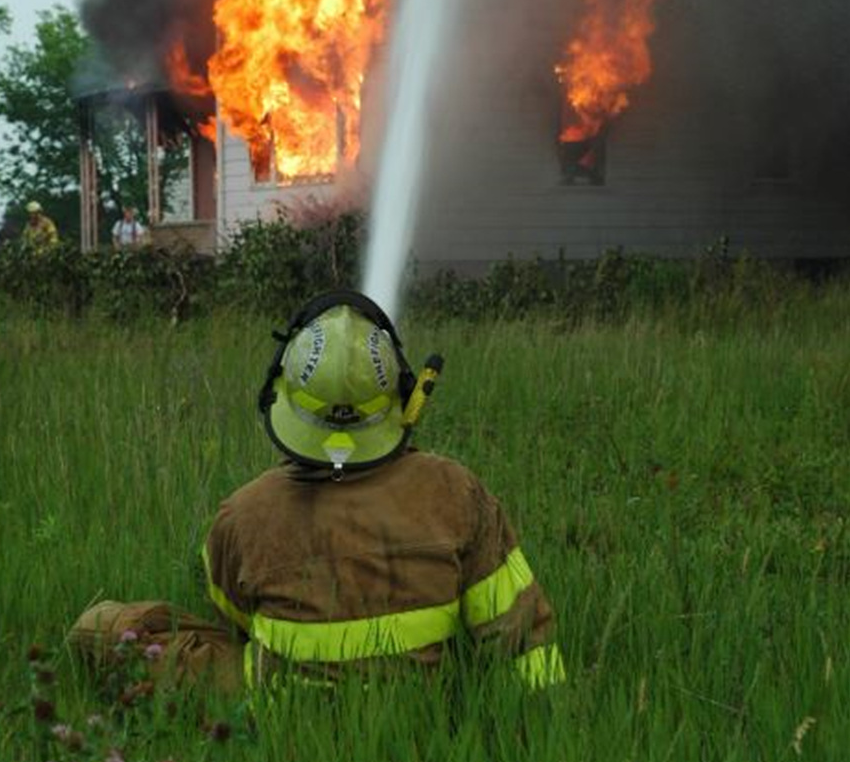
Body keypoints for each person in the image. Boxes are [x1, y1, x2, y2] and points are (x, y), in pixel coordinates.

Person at [69, 290, 564, 695]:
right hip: (421, 710)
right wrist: (538, 719)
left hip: (275, 705)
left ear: (278, 392)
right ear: (405, 393)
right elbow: (519, 632)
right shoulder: (455, 490)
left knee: (99, 627)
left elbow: (235, 615)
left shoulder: (243, 513)